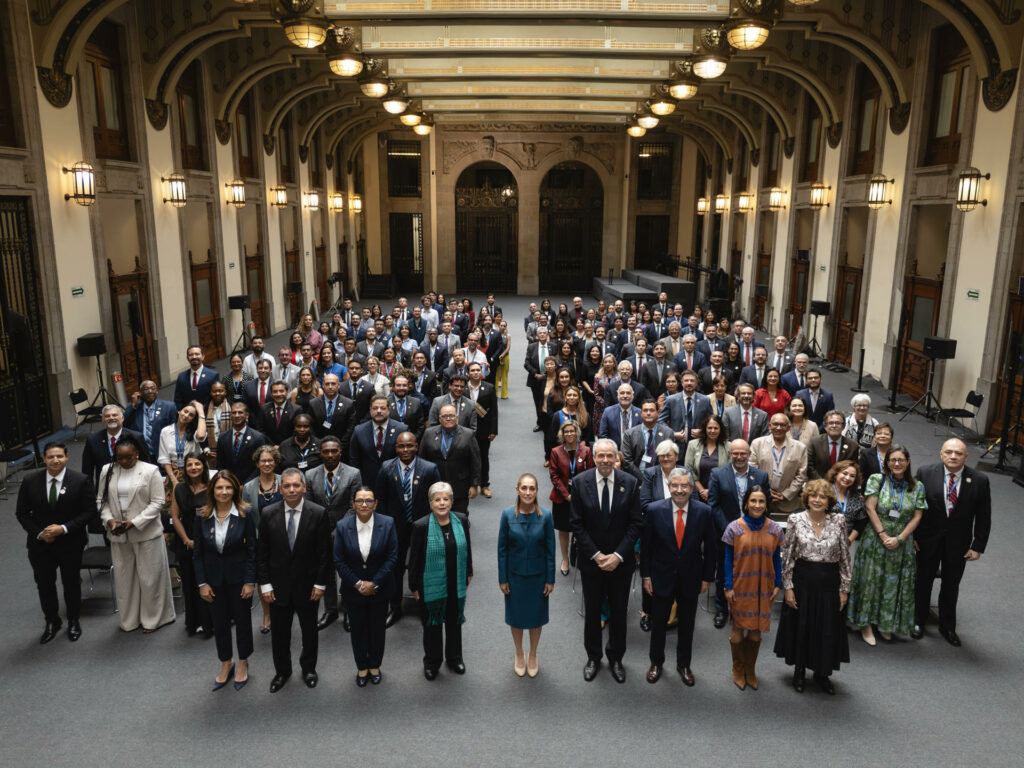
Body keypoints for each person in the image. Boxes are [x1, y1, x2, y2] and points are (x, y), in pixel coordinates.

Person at [570, 439, 642, 684]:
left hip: (620, 563)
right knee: (592, 612)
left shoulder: (630, 484)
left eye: (610, 456)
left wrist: (618, 556)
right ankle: (593, 657)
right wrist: (597, 555)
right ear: (594, 457)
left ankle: (616, 658)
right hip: (592, 562)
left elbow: (635, 525)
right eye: (601, 456)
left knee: (619, 612)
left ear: (615, 457)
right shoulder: (580, 483)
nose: (605, 461)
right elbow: (576, 524)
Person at [256, 468, 332, 693]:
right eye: (287, 486)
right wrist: (265, 584)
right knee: (280, 633)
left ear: (304, 487)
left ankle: (309, 668)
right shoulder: (268, 513)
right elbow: (262, 554)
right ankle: (282, 671)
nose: (291, 490)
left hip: (308, 587)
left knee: (309, 632)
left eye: (296, 485)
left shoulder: (318, 513)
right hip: (277, 588)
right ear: (280, 488)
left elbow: (324, 554)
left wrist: (320, 584)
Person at [774, 479, 851, 695]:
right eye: (814, 496)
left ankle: (822, 673)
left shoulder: (839, 520)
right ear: (807, 498)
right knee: (802, 626)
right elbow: (787, 556)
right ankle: (799, 671)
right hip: (802, 581)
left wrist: (844, 589)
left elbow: (845, 557)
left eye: (822, 496)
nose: (818, 500)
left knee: (826, 629)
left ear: (829, 500)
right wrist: (787, 587)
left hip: (829, 583)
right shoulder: (795, 519)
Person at [641, 467, 717, 686]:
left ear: (692, 488)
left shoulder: (704, 512)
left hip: (691, 577)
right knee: (658, 624)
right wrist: (646, 575)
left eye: (684, 486)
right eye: (675, 485)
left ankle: (684, 664)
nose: (680, 490)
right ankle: (656, 662)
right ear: (669, 487)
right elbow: (646, 548)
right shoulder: (655, 510)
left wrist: (706, 577)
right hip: (660, 576)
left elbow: (710, 548)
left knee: (687, 625)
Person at [16, 441, 97, 644]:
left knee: (71, 583)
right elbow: (22, 513)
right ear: (44, 459)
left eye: (59, 456)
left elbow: (89, 512)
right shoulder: (29, 480)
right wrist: (39, 533)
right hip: (40, 544)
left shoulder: (80, 480)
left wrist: (63, 528)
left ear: (67, 457)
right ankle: (52, 621)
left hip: (70, 542)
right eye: (50, 457)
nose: (55, 460)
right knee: (44, 584)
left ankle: (72, 620)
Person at [912, 438, 991, 646]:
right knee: (922, 581)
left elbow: (984, 516)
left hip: (959, 544)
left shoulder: (980, 480)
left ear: (966, 456)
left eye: (958, 453)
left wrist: (977, 546)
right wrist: (912, 537)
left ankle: (947, 626)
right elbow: (913, 509)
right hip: (926, 540)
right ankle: (917, 620)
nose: (953, 456)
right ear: (941, 454)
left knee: (951, 585)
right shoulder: (925, 473)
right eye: (949, 452)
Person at [847, 444, 926, 644]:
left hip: (902, 542)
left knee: (892, 582)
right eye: (893, 460)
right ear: (886, 463)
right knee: (870, 580)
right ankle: (866, 625)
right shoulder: (877, 480)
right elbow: (870, 508)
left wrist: (899, 538)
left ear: (908, 462)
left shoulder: (917, 486)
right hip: (875, 538)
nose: (897, 463)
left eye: (901, 460)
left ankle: (885, 623)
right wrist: (883, 535)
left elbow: (917, 516)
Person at [97, 435, 176, 633]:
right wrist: (110, 520)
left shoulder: (150, 471)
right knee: (125, 580)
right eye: (120, 458)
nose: (124, 462)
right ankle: (130, 620)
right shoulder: (107, 470)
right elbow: (101, 500)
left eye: (128, 458)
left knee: (150, 579)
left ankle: (153, 619)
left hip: (146, 533)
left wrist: (134, 522)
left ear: (137, 454)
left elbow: (158, 502)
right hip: (118, 534)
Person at [194, 470, 257, 691]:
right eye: (219, 487)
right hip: (213, 581)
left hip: (239, 579)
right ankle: (226, 662)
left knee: (242, 622)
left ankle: (242, 662)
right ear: (212, 490)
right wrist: (202, 583)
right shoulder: (202, 515)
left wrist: (250, 581)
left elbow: (252, 550)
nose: (224, 492)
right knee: (219, 624)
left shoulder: (245, 513)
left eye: (228, 487)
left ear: (235, 490)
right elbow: (198, 554)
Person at [375, 432, 442, 625]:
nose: (405, 450)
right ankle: (395, 608)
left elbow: (437, 500)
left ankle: (424, 607)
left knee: (423, 568)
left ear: (416, 447)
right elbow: (380, 501)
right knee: (394, 569)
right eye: (401, 447)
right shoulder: (386, 468)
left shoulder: (430, 469)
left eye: (409, 446)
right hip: (394, 528)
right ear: (396, 448)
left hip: (423, 527)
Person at [334, 487, 398, 687]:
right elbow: (339, 560)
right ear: (353, 504)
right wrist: (359, 583)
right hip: (354, 590)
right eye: (359, 501)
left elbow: (392, 557)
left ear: (375, 503)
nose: (364, 505)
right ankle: (362, 666)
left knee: (378, 629)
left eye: (368, 501)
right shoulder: (343, 526)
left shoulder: (387, 523)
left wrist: (375, 582)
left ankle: (375, 666)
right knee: (358, 629)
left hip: (380, 588)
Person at [409, 482, 473, 680]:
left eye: (446, 499)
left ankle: (454, 658)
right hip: (430, 585)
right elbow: (414, 559)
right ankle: (432, 662)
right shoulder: (421, 526)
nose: (442, 503)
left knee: (454, 622)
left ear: (452, 502)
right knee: (432, 625)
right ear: (430, 503)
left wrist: (469, 570)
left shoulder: (461, 520)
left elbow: (467, 548)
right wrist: (414, 586)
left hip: (456, 582)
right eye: (437, 500)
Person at [722, 486, 784, 690]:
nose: (757, 505)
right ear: (746, 503)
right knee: (738, 631)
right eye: (753, 501)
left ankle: (750, 669)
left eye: (761, 501)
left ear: (767, 505)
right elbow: (727, 559)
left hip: (764, 586)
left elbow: (776, 557)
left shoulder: (774, 528)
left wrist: (778, 583)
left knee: (757, 633)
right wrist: (728, 586)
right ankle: (738, 668)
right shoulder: (734, 528)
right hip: (741, 586)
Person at [498, 474, 556, 677]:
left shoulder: (546, 516)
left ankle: (532, 653)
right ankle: (519, 653)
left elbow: (551, 550)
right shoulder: (507, 515)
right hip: (514, 576)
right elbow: (502, 549)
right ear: (517, 490)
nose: (528, 492)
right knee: (516, 617)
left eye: (532, 488)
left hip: (538, 577)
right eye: (524, 488)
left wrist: (550, 579)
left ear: (537, 491)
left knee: (535, 617)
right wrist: (502, 578)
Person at [708, 440, 770, 629]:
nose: (739, 457)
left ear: (749, 453)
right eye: (735, 453)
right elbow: (713, 504)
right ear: (730, 453)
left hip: (753, 534)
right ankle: (721, 609)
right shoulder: (718, 474)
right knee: (723, 571)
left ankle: (744, 609)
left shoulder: (761, 476)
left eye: (743, 453)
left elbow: (766, 506)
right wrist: (730, 530)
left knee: (749, 572)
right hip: (726, 532)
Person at [304, 436, 362, 631]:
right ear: (320, 453)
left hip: (346, 530)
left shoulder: (354, 473)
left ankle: (348, 610)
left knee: (347, 571)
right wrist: (322, 531)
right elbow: (309, 505)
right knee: (326, 571)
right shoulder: (310, 475)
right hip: (319, 532)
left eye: (333, 451)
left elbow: (355, 505)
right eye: (326, 452)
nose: (330, 455)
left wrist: (338, 530)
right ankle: (330, 610)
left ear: (340, 452)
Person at [169, 451, 213, 637]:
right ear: (184, 468)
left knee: (209, 582)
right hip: (186, 541)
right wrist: (186, 540)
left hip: (209, 541)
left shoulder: (212, 487)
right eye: (189, 465)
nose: (193, 468)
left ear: (203, 466)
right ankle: (193, 622)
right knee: (189, 582)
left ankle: (210, 622)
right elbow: (174, 517)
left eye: (197, 464)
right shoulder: (179, 488)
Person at [548, 421, 594, 576]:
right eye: (566, 431)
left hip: (582, 495)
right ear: (562, 434)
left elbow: (590, 474)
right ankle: (565, 559)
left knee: (582, 527)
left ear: (577, 433)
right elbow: (554, 476)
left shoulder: (586, 450)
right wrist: (566, 495)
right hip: (562, 496)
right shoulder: (555, 451)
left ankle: (581, 557)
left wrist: (579, 495)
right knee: (563, 529)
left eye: (572, 431)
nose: (569, 434)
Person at [419, 404, 481, 513]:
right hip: (435, 483)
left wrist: (474, 484)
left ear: (457, 417)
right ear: (439, 418)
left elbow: (475, 461)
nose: (448, 418)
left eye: (451, 416)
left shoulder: (468, 434)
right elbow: (421, 459)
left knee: (459, 516)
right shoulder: (429, 433)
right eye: (445, 416)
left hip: (460, 485)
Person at [750, 413, 808, 519]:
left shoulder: (800, 448)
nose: (778, 428)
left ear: (788, 427)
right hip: (761, 500)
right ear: (769, 426)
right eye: (775, 424)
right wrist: (766, 491)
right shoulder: (757, 444)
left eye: (782, 425)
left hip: (789, 503)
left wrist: (786, 494)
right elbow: (752, 471)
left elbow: (801, 475)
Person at [81, 403, 150, 485]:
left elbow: (147, 464)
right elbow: (87, 470)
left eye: (114, 415)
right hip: (105, 486)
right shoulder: (93, 440)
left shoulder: (136, 437)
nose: (111, 418)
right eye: (107, 416)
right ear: (102, 420)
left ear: (122, 418)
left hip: (133, 484)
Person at [350, 395, 408, 487]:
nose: (379, 411)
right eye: (375, 408)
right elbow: (354, 460)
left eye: (383, 408)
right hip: (367, 483)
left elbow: (406, 458)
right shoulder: (359, 431)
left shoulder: (401, 429)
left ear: (389, 410)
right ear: (370, 410)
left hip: (395, 482)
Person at [621, 399, 675, 479]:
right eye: (645, 410)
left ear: (658, 413)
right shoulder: (629, 434)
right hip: (635, 478)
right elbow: (627, 461)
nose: (648, 413)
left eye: (652, 410)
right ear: (641, 413)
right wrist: (643, 478)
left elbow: (669, 459)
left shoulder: (667, 433)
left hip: (659, 478)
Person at [157, 400, 207, 486]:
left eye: (191, 415)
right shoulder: (166, 431)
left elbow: (201, 436)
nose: (186, 415)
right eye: (185, 411)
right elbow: (164, 458)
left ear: (193, 419)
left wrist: (201, 411)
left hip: (193, 472)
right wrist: (174, 480)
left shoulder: (195, 432)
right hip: (173, 473)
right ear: (179, 411)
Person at [124, 380, 177, 461]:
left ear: (157, 391)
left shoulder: (169, 407)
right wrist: (133, 405)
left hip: (162, 451)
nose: (150, 391)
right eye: (146, 389)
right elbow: (124, 424)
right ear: (140, 393)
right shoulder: (134, 408)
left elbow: (175, 429)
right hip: (141, 452)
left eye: (153, 388)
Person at [216, 403, 266, 483]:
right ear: (230, 416)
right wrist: (227, 481)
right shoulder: (222, 437)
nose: (237, 415)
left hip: (251, 484)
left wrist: (246, 485)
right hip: (228, 483)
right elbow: (220, 464)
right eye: (234, 413)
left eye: (240, 412)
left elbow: (260, 465)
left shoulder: (257, 437)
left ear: (247, 415)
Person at [684, 414, 728, 503]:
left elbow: (729, 472)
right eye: (709, 428)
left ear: (721, 429)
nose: (712, 431)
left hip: (720, 493)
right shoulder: (693, 444)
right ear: (704, 429)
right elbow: (688, 470)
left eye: (716, 428)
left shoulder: (728, 447)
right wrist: (702, 490)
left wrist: (711, 491)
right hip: (696, 494)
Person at [808, 410, 860, 479]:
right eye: (831, 423)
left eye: (838, 423)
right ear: (825, 426)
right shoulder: (814, 442)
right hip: (818, 485)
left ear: (843, 426)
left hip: (843, 484)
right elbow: (809, 466)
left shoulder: (853, 446)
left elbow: (853, 469)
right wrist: (822, 483)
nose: (834, 426)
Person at [827, 460, 867, 546]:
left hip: (845, 542)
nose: (848, 478)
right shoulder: (824, 492)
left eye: (852, 476)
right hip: (823, 539)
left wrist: (849, 540)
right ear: (836, 474)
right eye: (844, 473)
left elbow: (861, 521)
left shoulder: (856, 497)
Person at [174, 345, 220, 410]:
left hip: (207, 414)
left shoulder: (213, 375)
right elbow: (178, 399)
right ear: (187, 358)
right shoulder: (181, 376)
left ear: (203, 356)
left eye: (197, 354)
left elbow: (216, 397)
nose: (194, 357)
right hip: (187, 415)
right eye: (191, 355)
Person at [859, 421, 894, 485]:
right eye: (879, 433)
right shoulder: (865, 454)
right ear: (875, 436)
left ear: (891, 437)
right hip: (870, 491)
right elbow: (861, 476)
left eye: (886, 434)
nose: (882, 436)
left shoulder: (897, 454)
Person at [495, 319, 512, 399]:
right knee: (496, 375)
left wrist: (502, 355)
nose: (502, 327)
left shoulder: (508, 335)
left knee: (504, 376)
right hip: (496, 358)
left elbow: (508, 347)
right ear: (499, 326)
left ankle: (504, 394)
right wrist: (497, 355)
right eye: (501, 325)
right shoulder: (495, 334)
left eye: (504, 326)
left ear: (506, 327)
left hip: (505, 357)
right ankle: (495, 394)